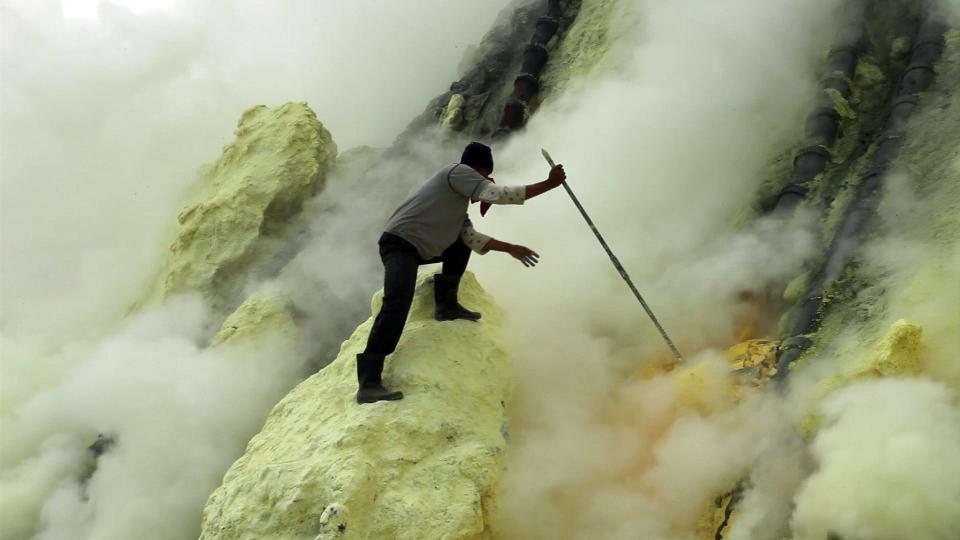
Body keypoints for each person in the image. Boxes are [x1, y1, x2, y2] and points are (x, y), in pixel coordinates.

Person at [356, 142, 567, 403]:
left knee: (460, 243)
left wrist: (510, 248)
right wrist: (548, 184)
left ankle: (446, 305)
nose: (484, 181)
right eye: (484, 175)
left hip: (415, 247)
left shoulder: (455, 207)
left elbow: (472, 238)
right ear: (478, 170)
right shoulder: (457, 171)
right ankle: (369, 382)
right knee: (396, 303)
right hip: (400, 244)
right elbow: (496, 193)